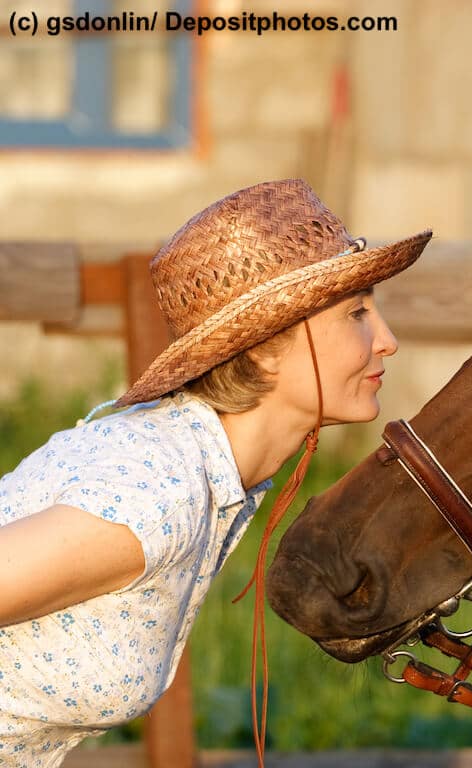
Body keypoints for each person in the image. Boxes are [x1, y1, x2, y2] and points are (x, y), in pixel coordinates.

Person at [0, 179, 431, 767]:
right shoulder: (158, 492)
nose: (388, 341)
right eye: (357, 313)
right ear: (262, 348)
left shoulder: (213, 478)